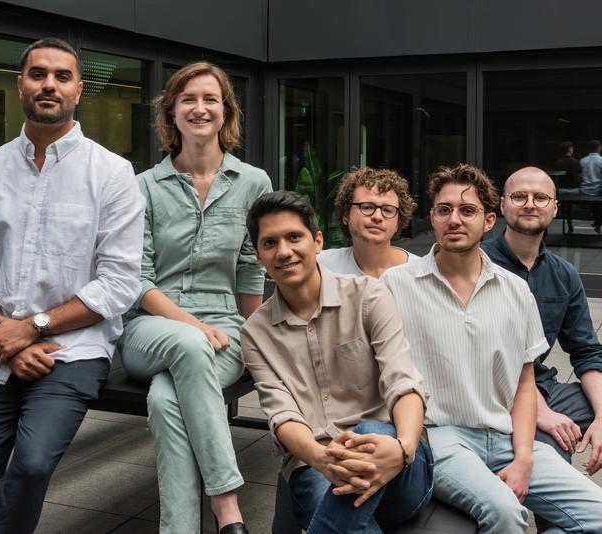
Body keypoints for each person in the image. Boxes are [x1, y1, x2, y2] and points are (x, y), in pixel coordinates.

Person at [0, 37, 145, 534]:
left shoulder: (113, 174)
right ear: (21, 85)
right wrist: (5, 340)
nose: (49, 84)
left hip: (71, 351)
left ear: (79, 89)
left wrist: (32, 328)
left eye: (61, 76)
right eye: (38, 74)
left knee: (32, 464)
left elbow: (118, 283)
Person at [382, 164, 602, 533]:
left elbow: (525, 381)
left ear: (488, 221)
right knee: (504, 512)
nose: (455, 219)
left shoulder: (515, 290)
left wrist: (524, 458)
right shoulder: (396, 284)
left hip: (503, 433)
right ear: (432, 217)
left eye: (467, 211)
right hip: (439, 436)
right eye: (444, 209)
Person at [117, 61, 272, 534]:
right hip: (150, 326)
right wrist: (191, 326)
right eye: (188, 99)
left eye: (210, 99)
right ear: (172, 112)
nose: (200, 108)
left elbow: (249, 269)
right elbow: (137, 281)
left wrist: (263, 339)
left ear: (226, 111)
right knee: (188, 346)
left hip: (226, 327)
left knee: (166, 402)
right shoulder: (141, 186)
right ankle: (229, 509)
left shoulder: (253, 183)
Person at [241, 190, 432, 534]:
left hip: (397, 459)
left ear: (316, 242)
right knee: (319, 492)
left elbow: (402, 382)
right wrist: (321, 460)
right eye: (270, 243)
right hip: (317, 462)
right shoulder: (255, 332)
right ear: (258, 255)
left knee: (371, 432)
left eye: (294, 237)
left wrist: (404, 448)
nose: (283, 251)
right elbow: (282, 414)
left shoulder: (368, 297)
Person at [481, 166, 602, 471]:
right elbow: (488, 359)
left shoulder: (564, 274)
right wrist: (542, 413)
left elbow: (586, 352)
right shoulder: (477, 264)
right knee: (556, 441)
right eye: (519, 196)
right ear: (503, 204)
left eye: (540, 197)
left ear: (554, 208)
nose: (530, 204)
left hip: (540, 385)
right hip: (485, 393)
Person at [319, 167, 418, 277]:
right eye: (367, 207)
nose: (377, 216)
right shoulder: (320, 267)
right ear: (346, 215)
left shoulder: (419, 273)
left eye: (387, 210)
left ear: (398, 223)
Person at [579, 139, 602, 232]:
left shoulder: (582, 160)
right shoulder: (601, 160)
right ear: (598, 148)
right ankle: (598, 222)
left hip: (585, 190)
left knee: (595, 205)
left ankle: (597, 221)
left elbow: (580, 176)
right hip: (599, 191)